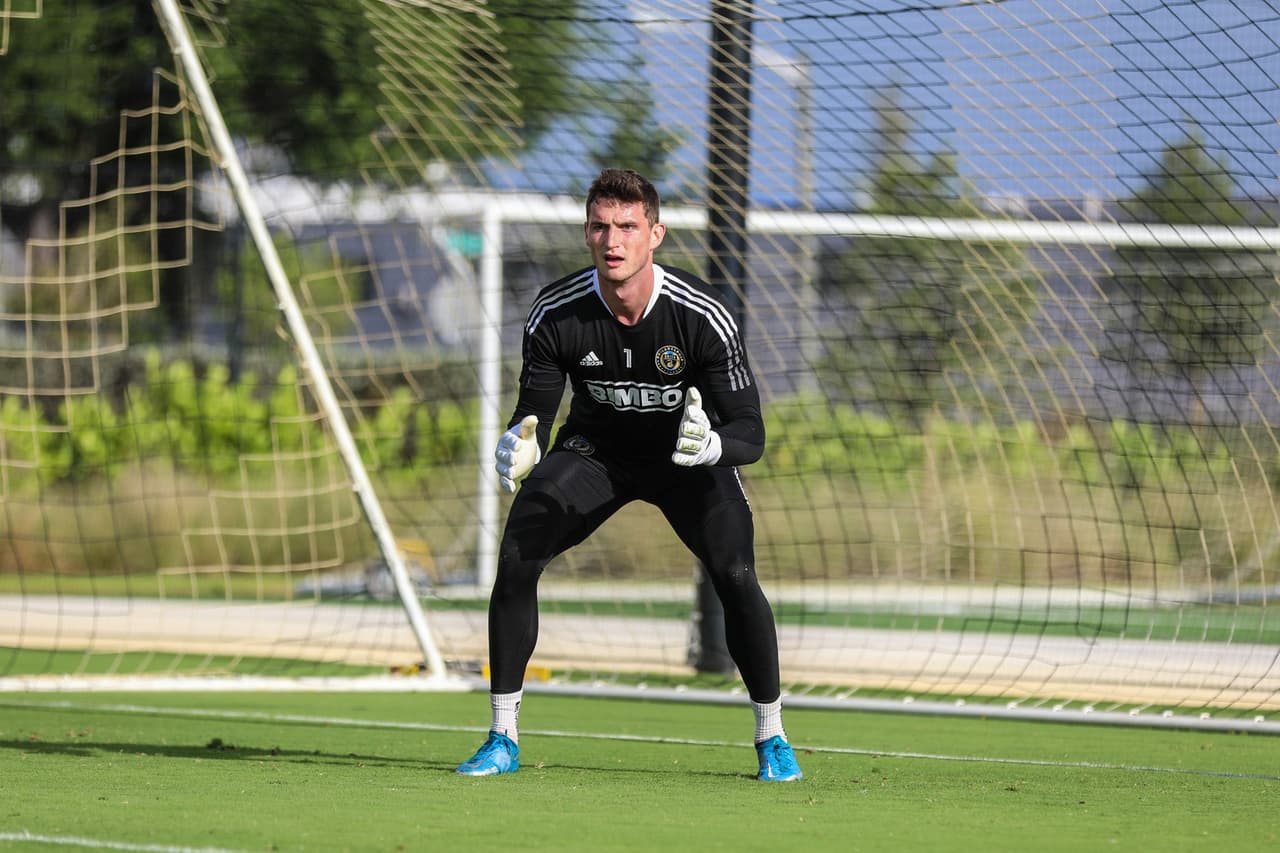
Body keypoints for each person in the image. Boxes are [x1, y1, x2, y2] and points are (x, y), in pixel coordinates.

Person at [455, 168, 802, 782]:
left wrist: (712, 445)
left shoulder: (703, 314)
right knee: (516, 555)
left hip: (685, 460)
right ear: (586, 233)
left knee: (735, 572)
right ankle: (502, 737)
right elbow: (534, 415)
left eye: (627, 226)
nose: (612, 240)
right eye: (599, 226)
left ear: (655, 235)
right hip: (596, 453)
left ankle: (772, 737)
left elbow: (751, 432)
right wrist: (520, 444)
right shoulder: (555, 311)